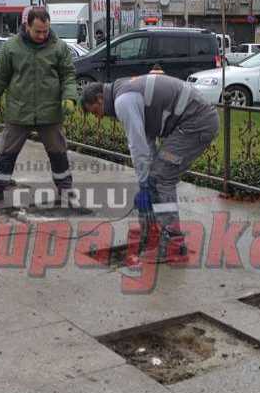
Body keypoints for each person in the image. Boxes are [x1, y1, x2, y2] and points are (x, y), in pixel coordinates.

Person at [80, 75, 219, 261]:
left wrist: (146, 182)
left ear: (99, 98)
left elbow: (137, 146)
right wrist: (145, 180)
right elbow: (147, 142)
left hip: (195, 125)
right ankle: (153, 229)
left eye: (95, 111)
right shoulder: (125, 90)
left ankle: (173, 244)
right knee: (155, 176)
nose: (99, 117)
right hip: (192, 122)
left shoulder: (123, 101)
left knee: (162, 178)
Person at [0, 6, 78, 201]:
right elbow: (0, 78)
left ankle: (65, 187)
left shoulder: (59, 48)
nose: (42, 35)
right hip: (19, 110)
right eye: (38, 31)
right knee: (7, 150)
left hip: (49, 111)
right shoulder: (11, 48)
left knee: (58, 152)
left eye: (46, 31)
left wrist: (69, 97)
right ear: (27, 26)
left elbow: (68, 76)